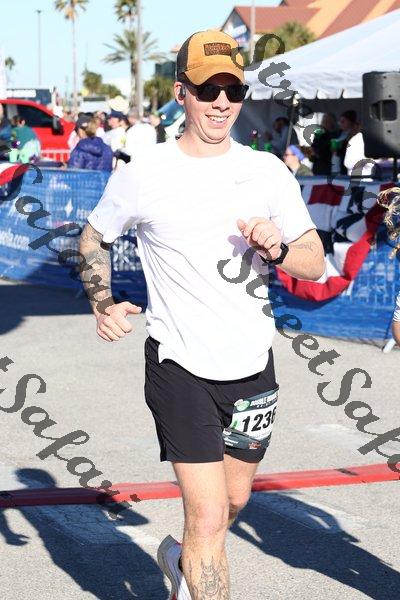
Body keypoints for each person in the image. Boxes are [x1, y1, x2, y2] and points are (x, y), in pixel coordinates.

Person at [79, 29, 324, 599]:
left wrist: (279, 250)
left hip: (252, 366)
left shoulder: (267, 171)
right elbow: (93, 238)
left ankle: (177, 557)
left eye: (233, 90)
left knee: (234, 500)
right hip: (179, 366)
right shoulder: (144, 172)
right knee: (210, 517)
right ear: (181, 92)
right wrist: (102, 302)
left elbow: (314, 262)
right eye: (208, 89)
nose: (221, 102)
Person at [332, 110, 372, 176]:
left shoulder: (359, 137)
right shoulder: (339, 134)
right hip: (341, 167)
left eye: (343, 121)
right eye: (340, 122)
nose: (341, 124)